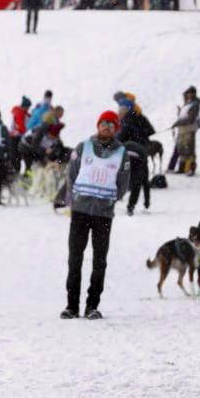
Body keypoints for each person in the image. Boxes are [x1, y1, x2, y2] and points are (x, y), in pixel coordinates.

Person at [62, 111, 130, 320]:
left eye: (111, 124)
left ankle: (92, 305)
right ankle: (72, 306)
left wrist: (109, 200)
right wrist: (75, 199)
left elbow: (123, 184)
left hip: (103, 214)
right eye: (104, 123)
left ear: (116, 128)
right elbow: (71, 175)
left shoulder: (122, 153)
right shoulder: (83, 147)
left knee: (99, 260)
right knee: (75, 259)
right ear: (98, 125)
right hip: (81, 211)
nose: (107, 126)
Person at [114, 91, 155, 216]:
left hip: (128, 151)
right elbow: (151, 131)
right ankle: (141, 203)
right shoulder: (141, 117)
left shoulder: (124, 122)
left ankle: (113, 201)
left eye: (120, 110)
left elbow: (118, 138)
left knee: (120, 177)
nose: (119, 112)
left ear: (126, 109)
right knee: (141, 178)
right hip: (142, 151)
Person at [169, 86, 200, 175]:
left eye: (191, 93)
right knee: (182, 149)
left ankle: (191, 169)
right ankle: (182, 168)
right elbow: (183, 116)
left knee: (189, 149)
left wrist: (177, 123)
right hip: (182, 130)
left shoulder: (195, 104)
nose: (189, 95)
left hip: (189, 129)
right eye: (188, 93)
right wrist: (179, 113)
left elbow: (190, 118)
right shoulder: (186, 104)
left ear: (194, 94)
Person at [9, 96, 31, 174]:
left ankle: (16, 176)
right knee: (17, 161)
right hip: (15, 139)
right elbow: (21, 127)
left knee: (17, 160)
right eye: (28, 107)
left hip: (15, 139)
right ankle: (15, 179)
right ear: (25, 106)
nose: (28, 109)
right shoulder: (19, 113)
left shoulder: (22, 112)